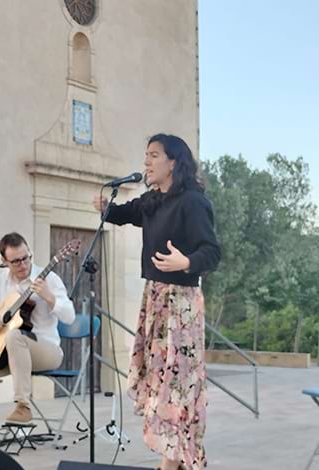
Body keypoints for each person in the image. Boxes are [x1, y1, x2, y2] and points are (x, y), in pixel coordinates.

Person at [93, 134, 221, 470]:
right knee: (159, 380)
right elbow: (122, 214)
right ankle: (173, 456)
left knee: (177, 383)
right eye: (146, 155)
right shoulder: (152, 201)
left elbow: (212, 251)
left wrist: (187, 262)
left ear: (174, 162)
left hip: (180, 302)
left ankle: (174, 458)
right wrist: (105, 207)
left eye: (154, 155)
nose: (147, 162)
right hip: (155, 299)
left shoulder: (193, 202)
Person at [0, 232, 75, 442]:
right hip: (10, 354)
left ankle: (23, 406)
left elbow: (70, 316)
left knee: (16, 335)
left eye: (26, 258)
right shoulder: (0, 282)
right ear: (4, 261)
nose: (23, 265)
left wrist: (49, 297)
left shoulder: (49, 279)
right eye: (16, 261)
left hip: (46, 351)